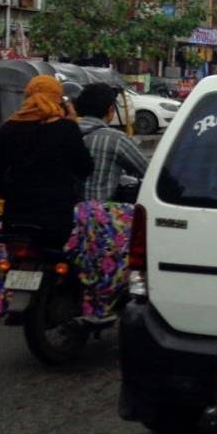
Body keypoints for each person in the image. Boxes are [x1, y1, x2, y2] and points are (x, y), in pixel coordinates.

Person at [64, 83, 149, 322]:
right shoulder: (115, 139)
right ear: (110, 110)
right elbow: (148, 172)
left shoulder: (59, 130)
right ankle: (108, 296)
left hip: (57, 211)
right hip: (96, 218)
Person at [0, 75, 94, 248]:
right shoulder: (66, 129)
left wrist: (15, 194)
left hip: (15, 217)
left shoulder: (8, 129)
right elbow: (85, 168)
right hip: (56, 219)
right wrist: (72, 124)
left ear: (27, 98)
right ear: (58, 100)